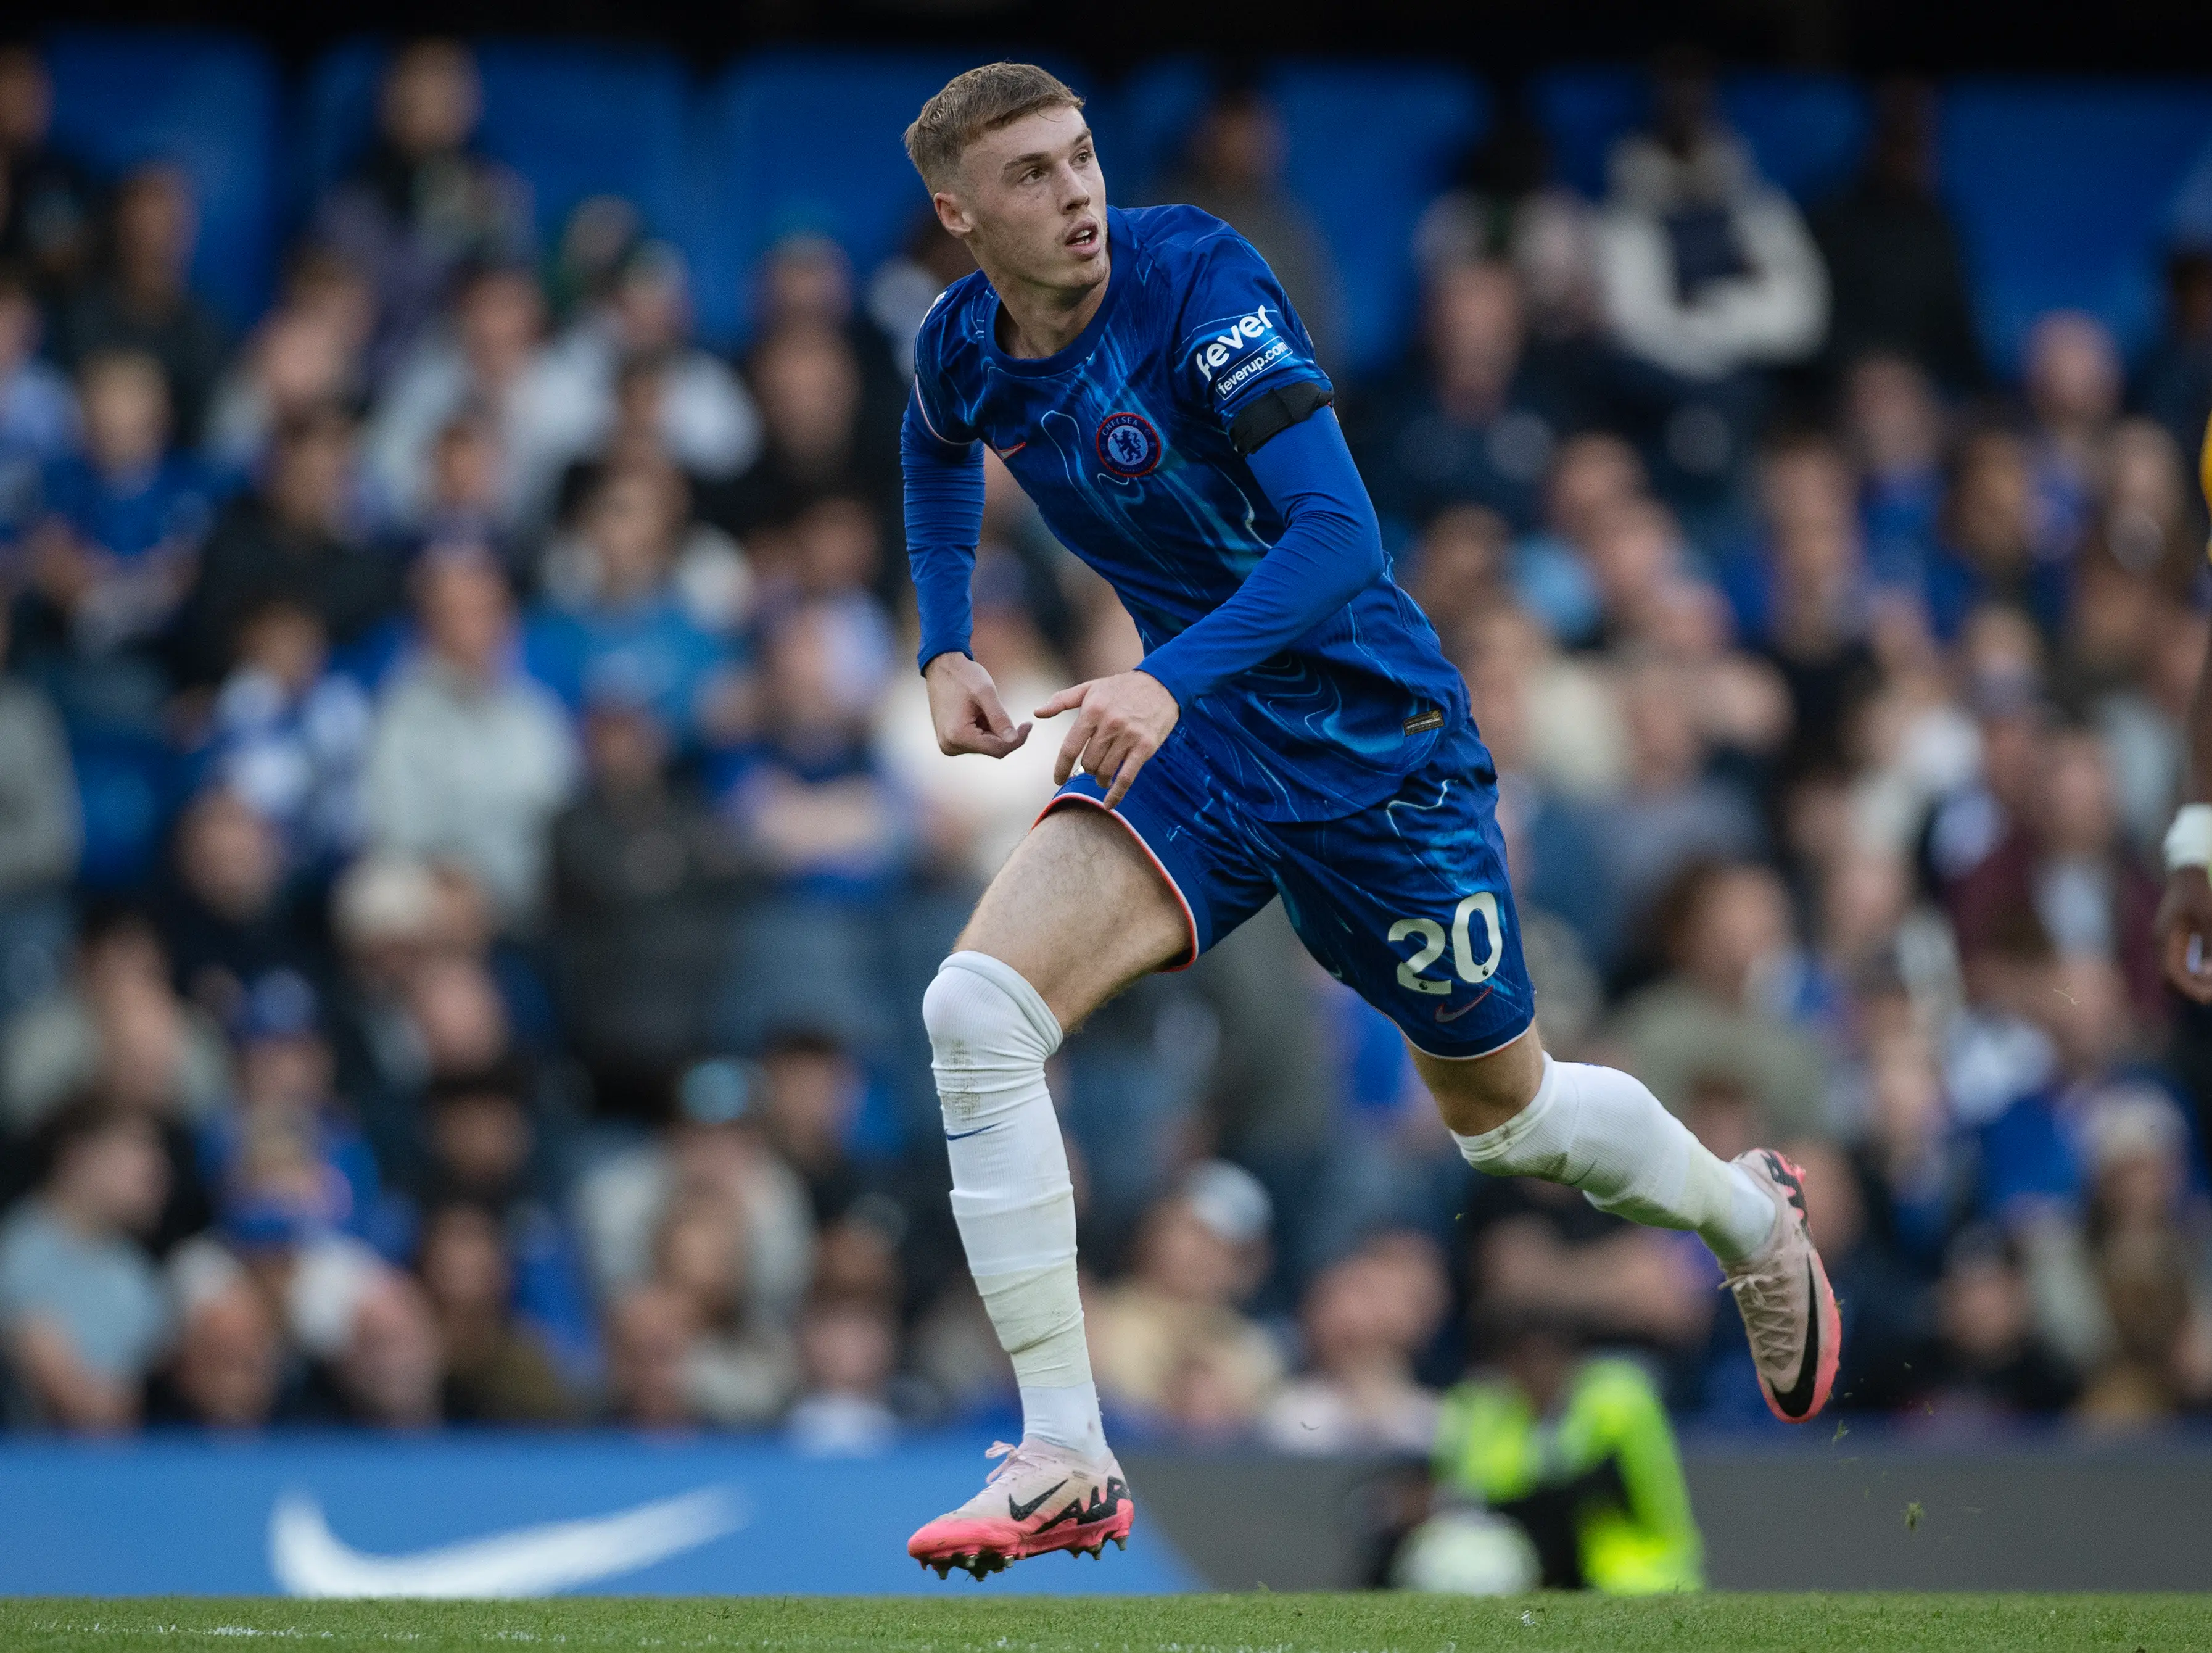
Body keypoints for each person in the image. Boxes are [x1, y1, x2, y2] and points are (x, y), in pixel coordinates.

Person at [893, 64, 1838, 1580]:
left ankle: (1746, 1218)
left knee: (1505, 1123)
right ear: (958, 214)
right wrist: (945, 636)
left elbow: (1342, 535)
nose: (1075, 194)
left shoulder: (1195, 273)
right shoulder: (962, 344)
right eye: (1029, 178)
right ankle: (1067, 1448)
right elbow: (937, 442)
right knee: (974, 1010)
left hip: (1372, 748)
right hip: (1202, 751)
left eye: (1079, 159)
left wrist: (1162, 674)